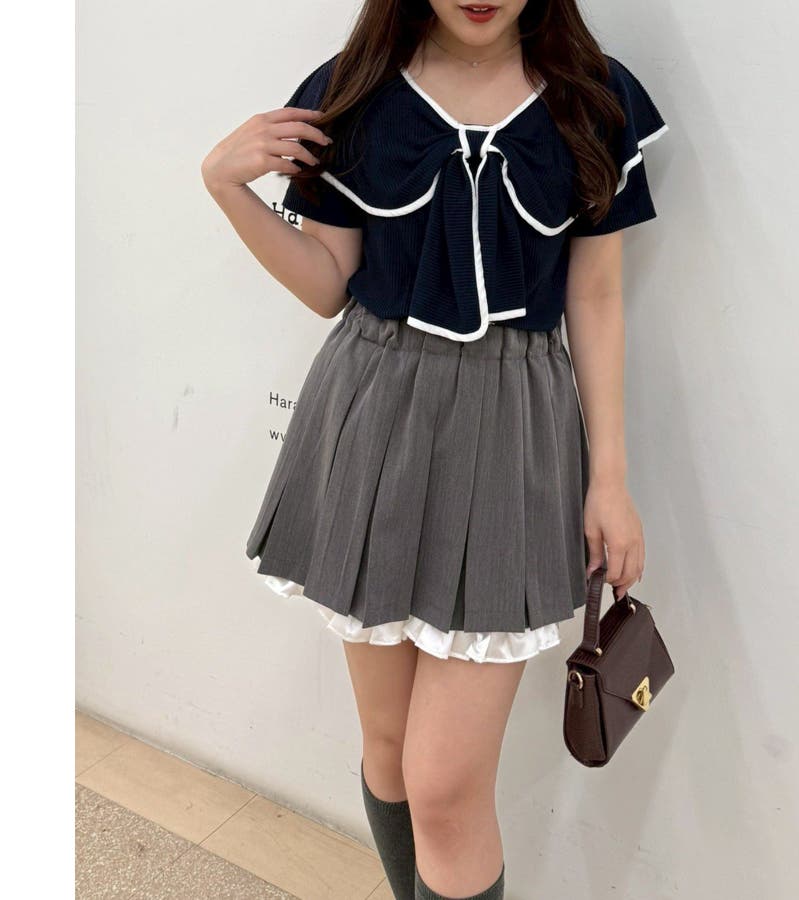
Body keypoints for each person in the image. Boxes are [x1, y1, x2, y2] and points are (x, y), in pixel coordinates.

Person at [201, 2, 668, 897]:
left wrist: (609, 477)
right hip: (374, 413)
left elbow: (597, 295)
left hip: (513, 426)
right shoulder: (353, 93)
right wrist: (226, 187)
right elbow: (328, 284)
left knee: (446, 787)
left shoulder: (593, 97)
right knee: (388, 751)